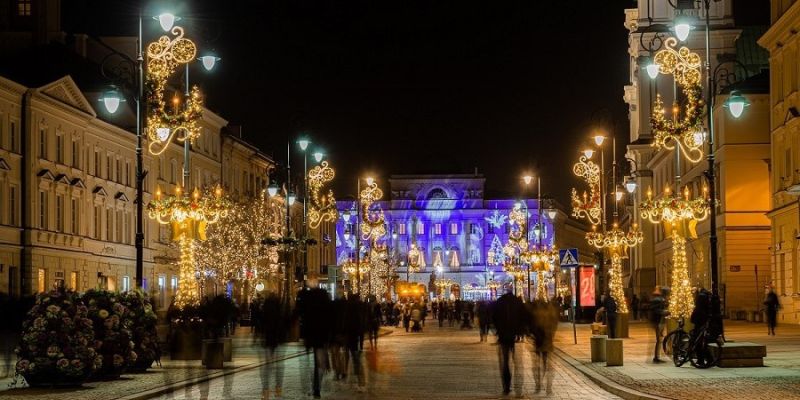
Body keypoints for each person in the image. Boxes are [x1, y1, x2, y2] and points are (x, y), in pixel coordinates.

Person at [492, 291, 525, 395]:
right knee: (518, 362)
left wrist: (498, 331)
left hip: (503, 336)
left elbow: (494, 317)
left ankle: (506, 386)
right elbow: (523, 318)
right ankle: (518, 387)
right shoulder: (517, 302)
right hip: (514, 336)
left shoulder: (499, 302)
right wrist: (521, 332)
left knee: (505, 361)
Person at [649, 287, 668, 363]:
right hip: (657, 322)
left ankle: (657, 356)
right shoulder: (658, 300)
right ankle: (656, 357)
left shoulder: (661, 299)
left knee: (659, 340)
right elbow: (656, 310)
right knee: (658, 340)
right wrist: (664, 312)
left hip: (659, 321)